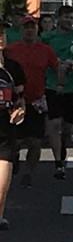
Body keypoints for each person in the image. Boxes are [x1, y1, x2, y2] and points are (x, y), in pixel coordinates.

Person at [4, 14, 59, 187]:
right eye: (26, 27)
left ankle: (29, 173)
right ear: (21, 30)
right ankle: (13, 162)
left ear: (37, 29)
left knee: (35, 142)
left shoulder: (45, 50)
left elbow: (57, 67)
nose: (29, 30)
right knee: (16, 141)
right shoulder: (11, 50)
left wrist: (60, 85)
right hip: (15, 101)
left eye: (32, 27)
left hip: (36, 101)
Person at [41, 4, 73, 179]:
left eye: (72, 18)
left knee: (68, 127)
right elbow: (41, 56)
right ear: (58, 19)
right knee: (54, 123)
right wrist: (55, 63)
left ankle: (63, 145)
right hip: (53, 85)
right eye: (66, 18)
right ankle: (58, 162)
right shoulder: (48, 37)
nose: (69, 21)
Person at [0, 26, 26, 229]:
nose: (0, 38)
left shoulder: (13, 67)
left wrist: (20, 110)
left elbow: (20, 98)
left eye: (2, 34)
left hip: (4, 129)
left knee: (1, 187)